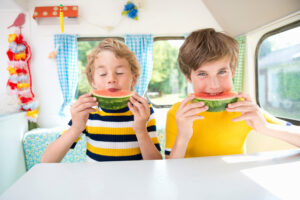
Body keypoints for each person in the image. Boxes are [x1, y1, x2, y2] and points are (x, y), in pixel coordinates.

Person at [165, 28, 300, 159]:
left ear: (233, 71)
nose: (214, 85)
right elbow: (170, 167)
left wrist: (265, 127)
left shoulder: (243, 108)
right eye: (202, 74)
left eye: (222, 72)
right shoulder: (179, 113)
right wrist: (183, 136)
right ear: (188, 77)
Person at [42, 39, 162, 162]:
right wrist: (76, 128)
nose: (111, 79)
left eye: (120, 72)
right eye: (103, 74)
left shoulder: (142, 109)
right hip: (96, 181)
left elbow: (155, 163)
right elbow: (47, 161)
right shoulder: (88, 111)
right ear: (93, 81)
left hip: (135, 180)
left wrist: (141, 130)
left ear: (134, 79)